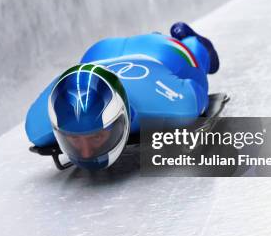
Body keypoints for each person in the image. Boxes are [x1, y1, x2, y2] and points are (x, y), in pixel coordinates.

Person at [26, 22, 220, 170]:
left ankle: (191, 40)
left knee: (199, 61)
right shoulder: (37, 125)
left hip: (162, 50)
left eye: (96, 137)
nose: (86, 153)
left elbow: (196, 91)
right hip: (99, 52)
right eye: (74, 140)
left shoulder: (175, 105)